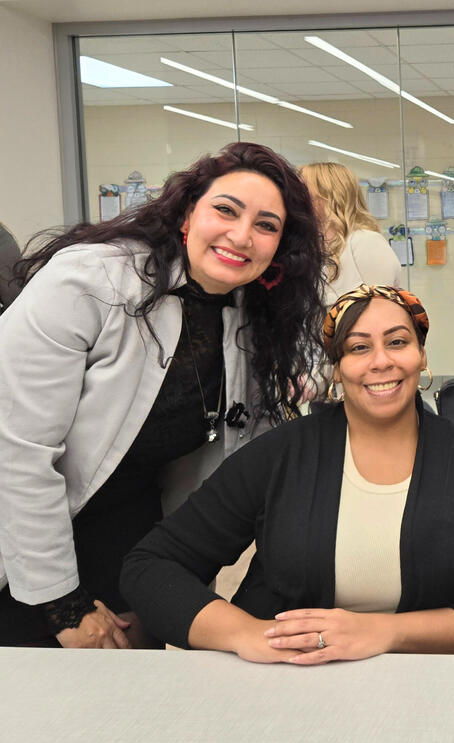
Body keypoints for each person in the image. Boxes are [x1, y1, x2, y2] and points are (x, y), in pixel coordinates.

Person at [0, 142, 325, 648]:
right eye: (226, 210)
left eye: (266, 225)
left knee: (136, 683)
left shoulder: (252, 315)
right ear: (187, 213)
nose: (242, 236)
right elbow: (17, 451)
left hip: (129, 527)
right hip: (22, 527)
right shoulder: (89, 280)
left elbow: (249, 455)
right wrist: (64, 605)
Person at [121, 285, 454, 663]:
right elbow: (151, 566)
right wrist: (248, 634)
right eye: (358, 347)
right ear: (336, 368)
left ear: (421, 355)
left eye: (397, 342)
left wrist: (385, 633)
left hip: (427, 686)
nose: (381, 361)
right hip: (290, 680)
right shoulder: (283, 454)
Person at [300, 162, 402, 300]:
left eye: (303, 189)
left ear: (328, 196)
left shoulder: (366, 242)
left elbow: (381, 307)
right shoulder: (310, 247)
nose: (296, 197)